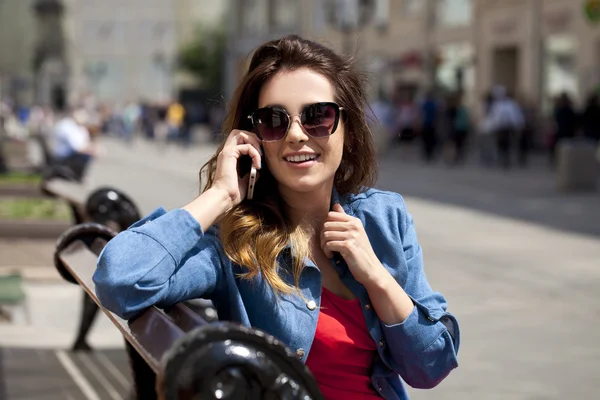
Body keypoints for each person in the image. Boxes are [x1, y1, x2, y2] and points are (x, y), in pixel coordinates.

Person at [93, 35, 459, 399]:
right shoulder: (233, 245)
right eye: (274, 121)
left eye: (318, 116)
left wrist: (377, 277)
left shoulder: (384, 218)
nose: (297, 135)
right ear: (254, 138)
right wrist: (219, 195)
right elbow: (121, 280)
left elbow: (430, 367)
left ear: (347, 129)